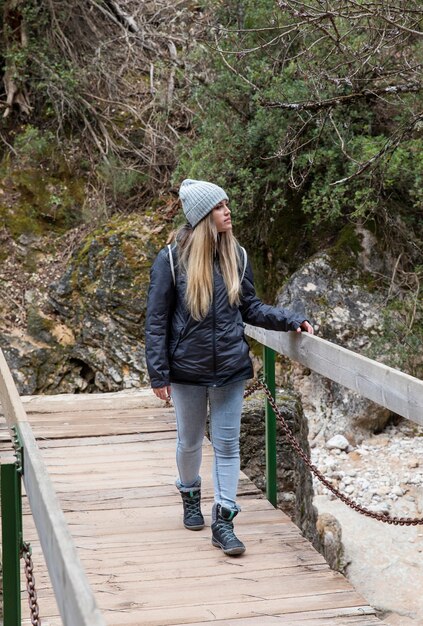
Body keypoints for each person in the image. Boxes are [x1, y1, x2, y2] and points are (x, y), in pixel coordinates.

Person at [145, 179, 313, 557]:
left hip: (231, 370)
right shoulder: (171, 260)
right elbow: (156, 320)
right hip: (187, 369)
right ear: (205, 215)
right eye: (220, 206)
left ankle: (224, 520)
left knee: (226, 445)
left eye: (227, 204)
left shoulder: (237, 255)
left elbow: (250, 308)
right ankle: (190, 494)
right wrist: (159, 373)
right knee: (189, 441)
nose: (227, 211)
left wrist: (290, 319)